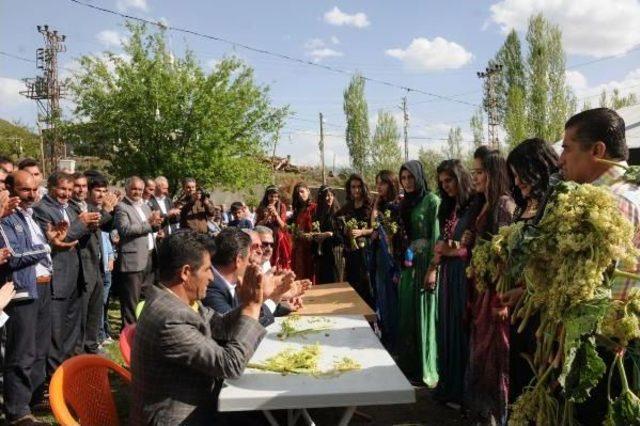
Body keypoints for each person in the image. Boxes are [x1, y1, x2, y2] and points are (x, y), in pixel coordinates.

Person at [130, 231, 267, 425]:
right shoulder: (169, 318)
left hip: (201, 404)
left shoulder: (179, 300)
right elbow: (230, 365)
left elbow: (221, 326)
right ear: (186, 272)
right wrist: (252, 307)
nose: (212, 277)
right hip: (181, 419)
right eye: (207, 269)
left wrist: (248, 304)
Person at [558, 108, 640, 424]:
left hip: (606, 349)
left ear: (597, 150)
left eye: (567, 147)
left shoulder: (608, 204)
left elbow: (586, 287)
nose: (561, 159)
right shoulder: (633, 191)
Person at [502, 139, 559, 403]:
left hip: (543, 312)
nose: (517, 182)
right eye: (513, 176)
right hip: (517, 307)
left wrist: (527, 291)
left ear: (539, 168)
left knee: (540, 383)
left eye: (520, 174)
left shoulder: (558, 206)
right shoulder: (524, 207)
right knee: (520, 379)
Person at [464, 147, 515, 425]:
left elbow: (506, 258)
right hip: (481, 289)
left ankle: (498, 415)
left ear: (494, 174)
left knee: (494, 354)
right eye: (473, 172)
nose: (475, 177)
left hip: (495, 293)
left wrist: (500, 300)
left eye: (480, 172)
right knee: (480, 352)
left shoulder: (504, 205)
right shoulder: (482, 203)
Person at [0, 171, 54, 425]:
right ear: (10, 189)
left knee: (39, 349)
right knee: (21, 352)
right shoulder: (7, 218)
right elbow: (14, 255)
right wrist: (46, 247)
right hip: (21, 290)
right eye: (25, 190)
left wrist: (48, 243)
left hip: (42, 287)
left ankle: (32, 399)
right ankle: (17, 410)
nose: (32, 195)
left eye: (35, 189)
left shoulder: (29, 215)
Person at [33, 171, 99, 375]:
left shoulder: (69, 208)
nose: (67, 193)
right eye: (62, 189)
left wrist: (89, 224)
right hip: (57, 280)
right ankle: (53, 379)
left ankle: (69, 372)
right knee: (56, 333)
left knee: (72, 329)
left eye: (70, 190)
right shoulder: (42, 210)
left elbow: (76, 234)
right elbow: (60, 239)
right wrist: (82, 224)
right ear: (51, 187)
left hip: (75, 277)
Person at [431, 160, 474, 408]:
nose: (446, 186)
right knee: (446, 326)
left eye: (450, 180)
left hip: (463, 275)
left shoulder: (473, 205)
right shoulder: (450, 207)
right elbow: (444, 242)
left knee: (460, 327)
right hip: (448, 274)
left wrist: (450, 252)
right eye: (442, 182)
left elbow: (471, 247)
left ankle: (461, 390)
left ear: (460, 178)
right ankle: (449, 384)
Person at [396, 161, 440, 387]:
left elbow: (436, 235)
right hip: (409, 263)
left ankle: (425, 367)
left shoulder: (432, 201)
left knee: (423, 313)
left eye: (411, 177)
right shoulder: (405, 203)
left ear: (419, 176)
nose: (407, 182)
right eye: (403, 178)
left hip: (425, 265)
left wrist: (433, 268)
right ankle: (409, 366)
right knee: (408, 313)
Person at [203, 228, 293, 327]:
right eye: (248, 257)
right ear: (239, 260)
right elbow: (238, 329)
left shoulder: (231, 283)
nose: (260, 252)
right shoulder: (210, 288)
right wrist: (272, 297)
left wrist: (275, 295)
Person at [114, 176, 163, 326]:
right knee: (131, 301)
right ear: (127, 189)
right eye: (134, 189)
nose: (137, 192)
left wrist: (157, 225)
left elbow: (150, 226)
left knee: (147, 298)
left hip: (149, 256)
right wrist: (149, 224)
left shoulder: (145, 206)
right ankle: (128, 333)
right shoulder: (122, 207)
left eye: (140, 189)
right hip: (133, 261)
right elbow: (125, 229)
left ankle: (142, 329)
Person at [370, 171, 401, 353]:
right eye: (377, 183)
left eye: (383, 183)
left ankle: (395, 344)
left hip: (393, 261)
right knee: (382, 299)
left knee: (392, 302)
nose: (379, 187)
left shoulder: (397, 205)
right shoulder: (381, 203)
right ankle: (387, 339)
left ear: (391, 183)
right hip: (380, 259)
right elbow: (373, 225)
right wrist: (375, 205)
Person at [337, 174, 374, 308]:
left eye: (359, 187)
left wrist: (362, 232)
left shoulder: (370, 206)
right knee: (353, 288)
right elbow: (337, 221)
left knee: (367, 289)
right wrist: (344, 230)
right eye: (353, 187)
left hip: (367, 254)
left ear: (363, 188)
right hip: (351, 254)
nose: (356, 190)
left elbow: (376, 229)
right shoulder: (347, 207)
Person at [312, 185, 343, 284]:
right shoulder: (318, 215)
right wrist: (316, 237)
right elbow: (315, 233)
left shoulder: (339, 214)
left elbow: (342, 236)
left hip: (335, 253)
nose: (329, 198)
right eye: (326, 196)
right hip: (322, 255)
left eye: (331, 195)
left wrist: (330, 234)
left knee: (335, 280)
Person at [255, 185, 291, 270]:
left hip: (279, 239)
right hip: (265, 239)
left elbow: (283, 227)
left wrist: (276, 214)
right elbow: (257, 226)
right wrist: (267, 216)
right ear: (267, 196)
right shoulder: (261, 207)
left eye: (276, 197)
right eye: (271, 196)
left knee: (280, 263)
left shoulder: (282, 206)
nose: (274, 199)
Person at [290, 182, 316, 282]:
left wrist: (310, 235)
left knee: (310, 276)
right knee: (299, 276)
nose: (300, 195)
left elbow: (318, 228)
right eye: (298, 193)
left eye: (302, 191)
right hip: (299, 249)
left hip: (311, 248)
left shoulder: (314, 208)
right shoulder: (297, 211)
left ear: (308, 191)